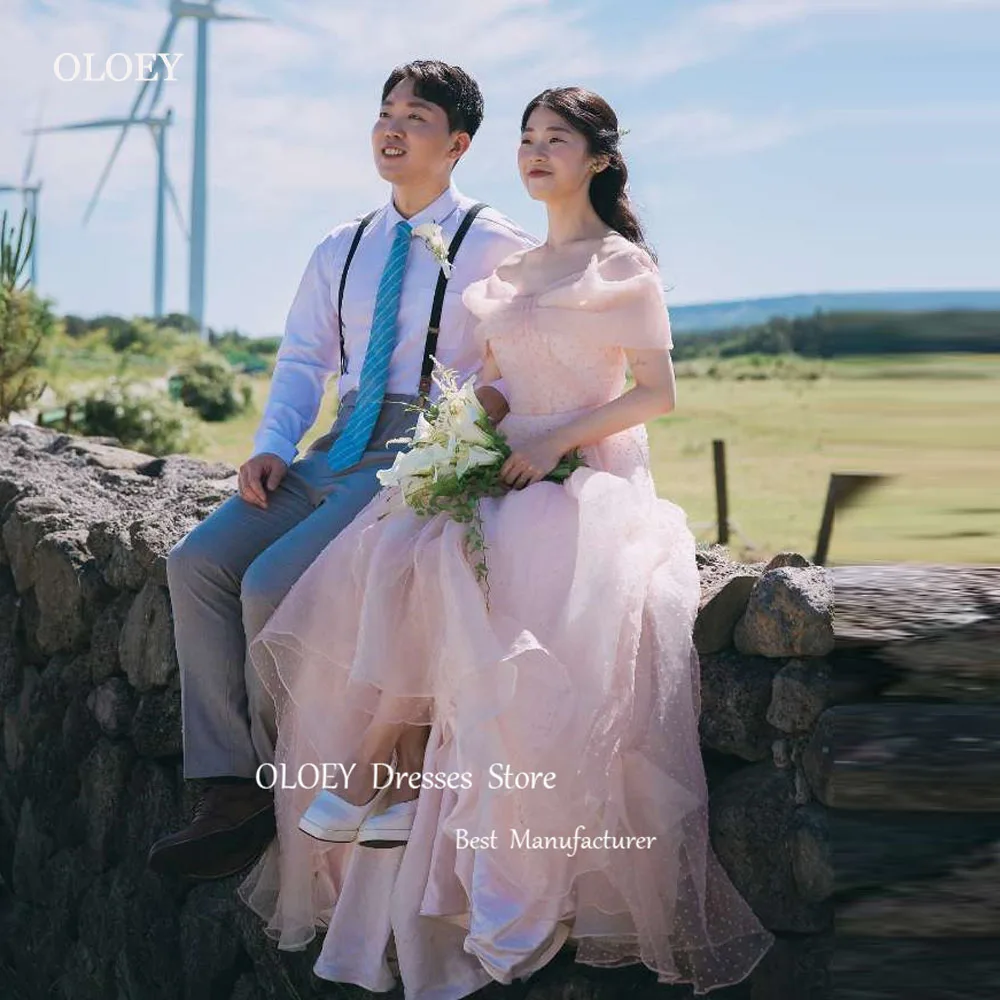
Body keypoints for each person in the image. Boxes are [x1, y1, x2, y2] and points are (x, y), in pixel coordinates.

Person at [237, 87, 774, 996]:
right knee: (400, 549)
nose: (535, 154)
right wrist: (460, 436)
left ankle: (376, 778)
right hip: (507, 460)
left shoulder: (621, 265)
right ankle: (387, 779)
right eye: (526, 140)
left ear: (598, 159)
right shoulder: (515, 271)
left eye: (555, 141)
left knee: (478, 581)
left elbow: (655, 395)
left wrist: (550, 441)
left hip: (579, 477)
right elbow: (493, 380)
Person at [147, 60, 537, 880]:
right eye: (385, 112)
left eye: (417, 118)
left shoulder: (499, 244)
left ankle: (285, 778)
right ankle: (229, 784)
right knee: (198, 564)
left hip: (417, 449)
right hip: (331, 446)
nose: (392, 129)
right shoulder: (342, 244)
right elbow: (302, 359)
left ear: (458, 143)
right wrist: (272, 444)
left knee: (271, 583)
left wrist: (460, 441)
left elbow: (525, 364)